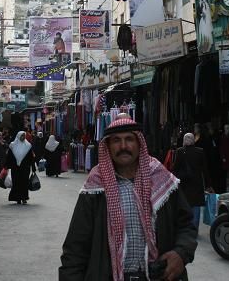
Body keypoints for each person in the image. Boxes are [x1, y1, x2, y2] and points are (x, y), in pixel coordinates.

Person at [60, 116, 197, 281]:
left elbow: (186, 224)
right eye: (116, 140)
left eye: (129, 139)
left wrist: (181, 254)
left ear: (139, 144)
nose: (123, 146)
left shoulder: (162, 179)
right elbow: (75, 248)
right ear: (108, 146)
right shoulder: (95, 188)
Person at [173, 133, 212, 234]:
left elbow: (175, 169)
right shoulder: (200, 151)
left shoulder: (180, 151)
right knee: (196, 206)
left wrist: (172, 183)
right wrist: (208, 185)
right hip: (197, 183)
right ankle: (194, 229)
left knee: (184, 205)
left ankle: (185, 227)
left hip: (184, 183)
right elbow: (205, 169)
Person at [5, 131, 37, 204]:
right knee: (16, 182)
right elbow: (9, 157)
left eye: (24, 136)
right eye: (22, 136)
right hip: (15, 168)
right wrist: (6, 166)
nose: (23, 137)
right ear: (18, 136)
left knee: (24, 183)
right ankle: (17, 198)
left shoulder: (28, 145)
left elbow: (31, 158)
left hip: (25, 168)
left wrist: (33, 167)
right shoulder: (12, 145)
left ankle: (24, 198)